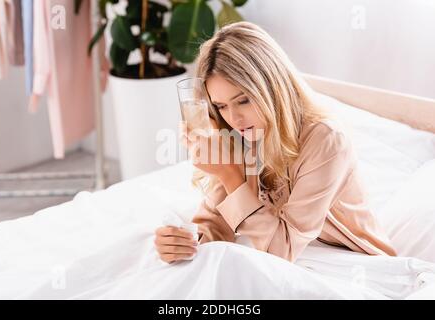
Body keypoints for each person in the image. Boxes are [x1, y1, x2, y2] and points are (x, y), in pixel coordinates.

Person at [154, 21, 396, 264]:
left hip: (350, 261)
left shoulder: (326, 141)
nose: (234, 118)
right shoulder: (239, 134)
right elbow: (216, 224)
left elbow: (281, 251)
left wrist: (230, 174)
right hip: (289, 257)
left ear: (271, 87)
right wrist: (184, 242)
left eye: (244, 100)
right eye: (221, 106)